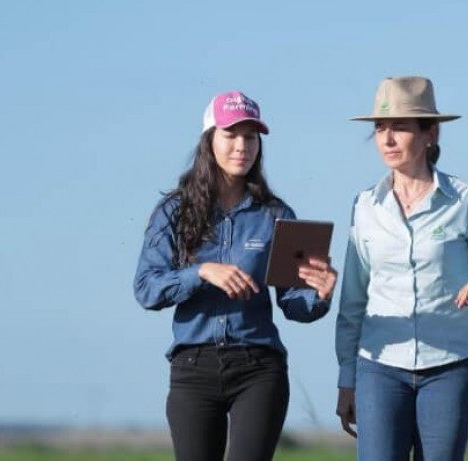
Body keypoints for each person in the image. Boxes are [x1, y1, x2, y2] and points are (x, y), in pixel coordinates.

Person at [134, 90, 337, 461]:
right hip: (192, 369)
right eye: (231, 135)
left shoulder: (277, 214)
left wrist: (319, 294)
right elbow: (147, 289)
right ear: (209, 140)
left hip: (258, 368)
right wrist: (201, 272)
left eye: (250, 137)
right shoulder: (172, 212)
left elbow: (294, 304)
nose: (241, 146)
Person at [335, 76, 468, 460]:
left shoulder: (467, 199)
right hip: (379, 367)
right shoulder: (365, 205)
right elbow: (352, 300)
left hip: (452, 366)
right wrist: (346, 380)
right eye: (380, 128)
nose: (386, 139)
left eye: (399, 127)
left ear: (430, 133)